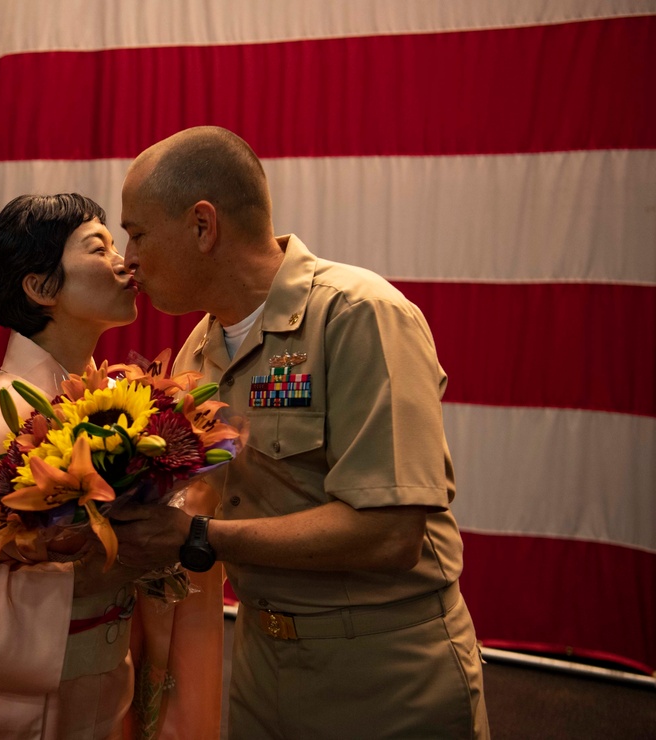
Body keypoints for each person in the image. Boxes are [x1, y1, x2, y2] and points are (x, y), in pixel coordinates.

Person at [113, 127, 490, 739]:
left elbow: (392, 533)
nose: (127, 259)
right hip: (263, 662)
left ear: (203, 227)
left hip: (382, 672)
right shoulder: (200, 348)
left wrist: (197, 538)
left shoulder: (359, 315)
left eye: (137, 233)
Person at [0, 193, 223, 739]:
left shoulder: (106, 395)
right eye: (97, 247)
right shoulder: (2, 416)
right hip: (37, 700)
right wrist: (114, 567)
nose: (125, 261)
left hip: (94, 675)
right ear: (41, 287)